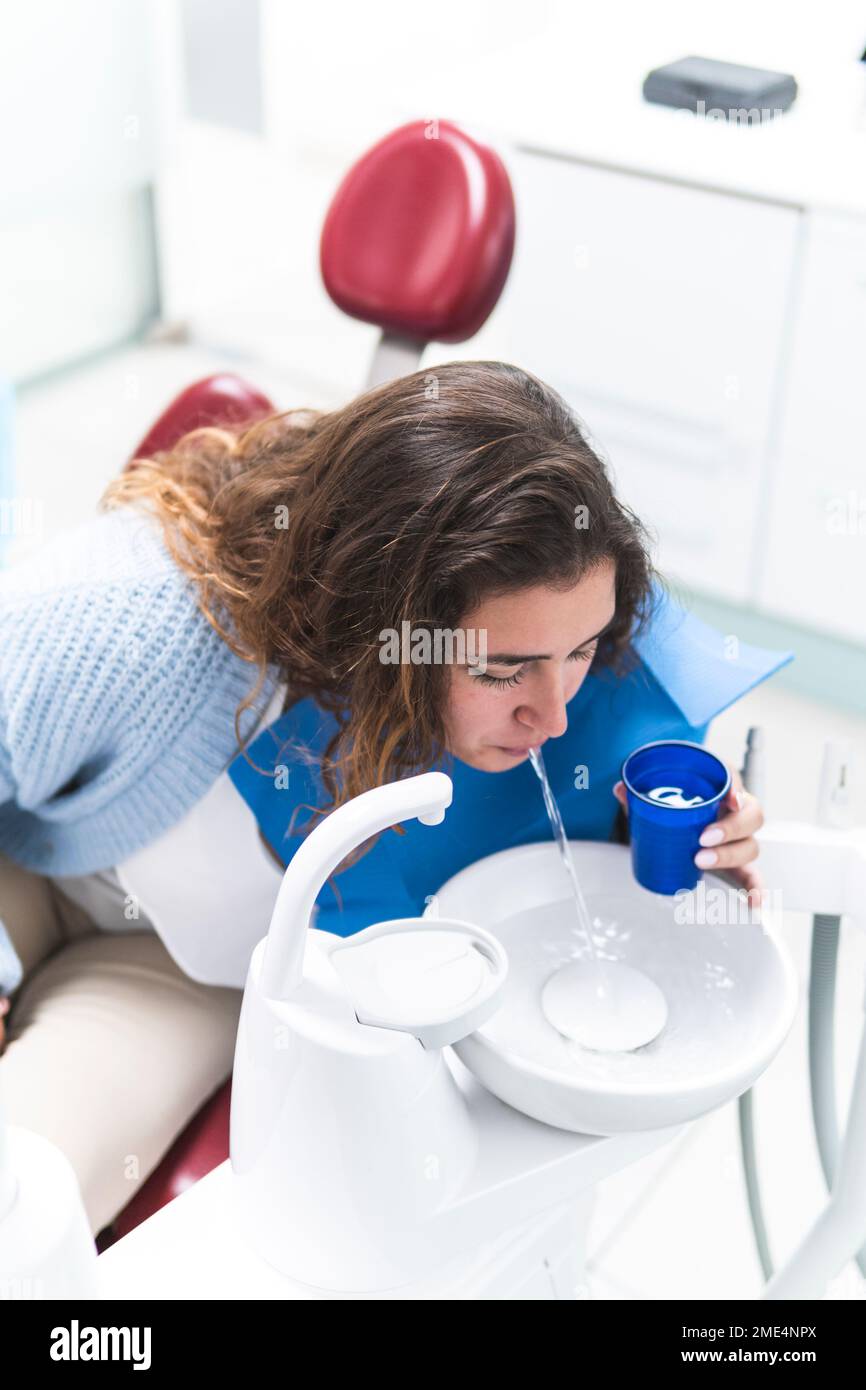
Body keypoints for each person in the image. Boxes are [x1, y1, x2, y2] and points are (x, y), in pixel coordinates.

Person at [0, 360, 786, 1236]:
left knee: (20, 1225)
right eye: (499, 670)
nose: (555, 712)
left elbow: (634, 736)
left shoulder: (563, 616)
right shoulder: (135, 618)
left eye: (581, 650)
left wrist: (691, 825)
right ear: (378, 627)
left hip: (176, 976)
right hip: (26, 873)